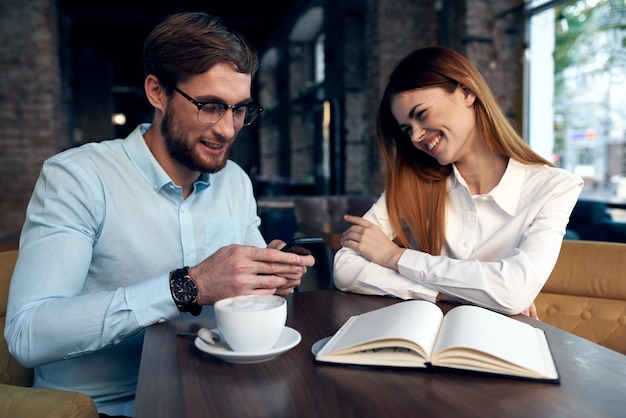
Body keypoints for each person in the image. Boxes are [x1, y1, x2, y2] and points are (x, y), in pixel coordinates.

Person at [4, 12, 314, 417]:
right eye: (210, 106)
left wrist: (269, 277)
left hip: (221, 391)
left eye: (240, 110)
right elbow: (28, 334)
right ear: (157, 92)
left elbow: (243, 297)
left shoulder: (234, 180)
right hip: (106, 407)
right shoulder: (78, 177)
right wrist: (188, 286)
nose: (227, 129)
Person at [334, 45, 583, 317]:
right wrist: (448, 294)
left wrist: (394, 257)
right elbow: (345, 268)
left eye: (421, 114)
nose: (416, 136)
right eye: (407, 129)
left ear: (466, 92)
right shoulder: (415, 182)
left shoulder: (555, 188)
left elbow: (513, 291)